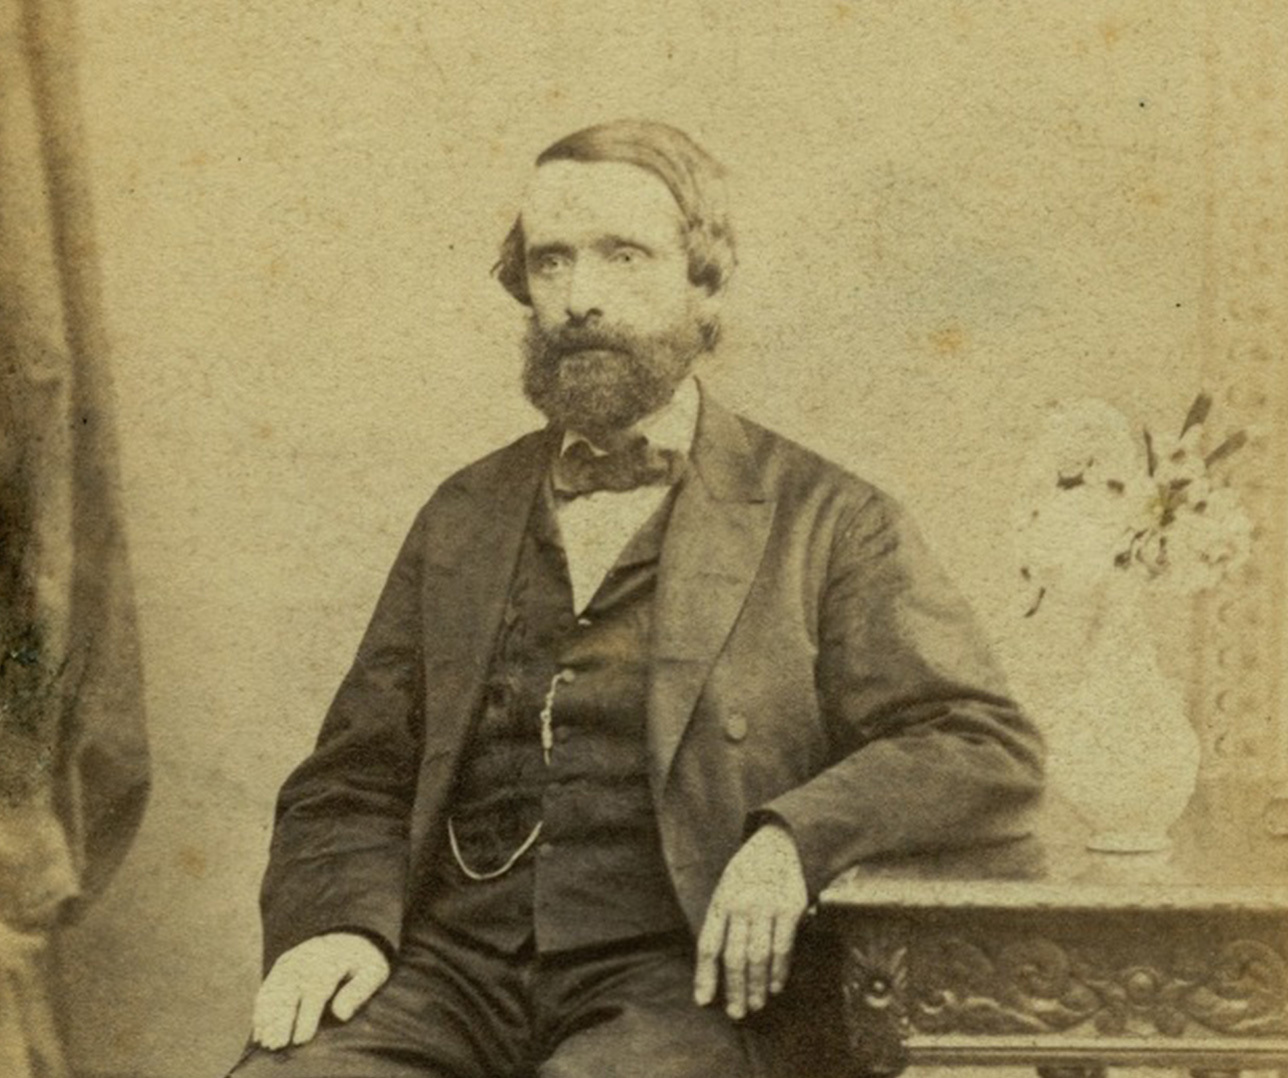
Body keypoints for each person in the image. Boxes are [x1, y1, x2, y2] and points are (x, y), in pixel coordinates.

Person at [227, 119, 1044, 1078]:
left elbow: (980, 740)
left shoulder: (831, 519)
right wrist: (337, 927)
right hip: (447, 972)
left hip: (684, 979)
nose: (582, 300)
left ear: (705, 281)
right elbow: (350, 777)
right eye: (552, 263)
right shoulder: (464, 512)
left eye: (625, 257)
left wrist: (793, 840)